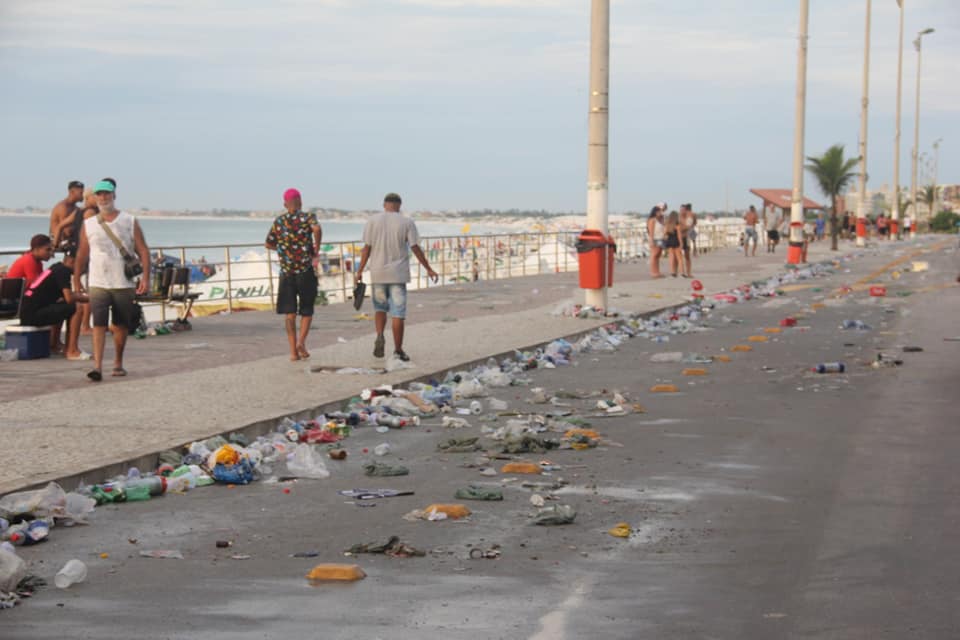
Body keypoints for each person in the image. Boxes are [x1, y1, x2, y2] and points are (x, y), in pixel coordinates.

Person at [74, 179, 150, 381]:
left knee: (120, 324)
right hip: (98, 281)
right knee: (98, 323)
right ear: (95, 197)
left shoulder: (128, 220)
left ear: (114, 196)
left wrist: (146, 278)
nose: (103, 197)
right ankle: (97, 366)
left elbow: (142, 249)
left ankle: (118, 361)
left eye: (107, 194)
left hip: (122, 281)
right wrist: (76, 280)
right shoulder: (89, 224)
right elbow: (82, 253)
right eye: (99, 194)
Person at [355, 192, 438, 362]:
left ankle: (379, 335)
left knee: (380, 309)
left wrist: (360, 270)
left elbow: (367, 248)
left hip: (378, 273)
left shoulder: (372, 221)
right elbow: (415, 247)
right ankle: (398, 350)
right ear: (399, 205)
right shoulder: (406, 222)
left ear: (384, 204)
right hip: (398, 274)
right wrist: (429, 268)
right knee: (398, 313)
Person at [264, 188, 321, 362]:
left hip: (286, 273)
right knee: (307, 310)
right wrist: (316, 247)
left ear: (285, 204)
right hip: (305, 271)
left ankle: (293, 352)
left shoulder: (279, 221)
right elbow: (317, 229)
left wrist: (283, 249)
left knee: (290, 313)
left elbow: (268, 244)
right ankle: (301, 343)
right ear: (300, 201)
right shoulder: (307, 217)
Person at [19, 256, 87, 356]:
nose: (84, 270)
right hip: (33, 315)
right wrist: (91, 298)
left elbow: (65, 297)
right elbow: (69, 298)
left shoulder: (56, 268)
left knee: (61, 306)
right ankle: (72, 350)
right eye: (83, 266)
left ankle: (54, 345)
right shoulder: (64, 271)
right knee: (77, 307)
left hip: (27, 313)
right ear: (72, 261)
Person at [48, 181, 84, 250]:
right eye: (81, 193)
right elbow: (67, 231)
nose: (83, 195)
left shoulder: (75, 208)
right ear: (72, 192)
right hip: (58, 241)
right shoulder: (63, 207)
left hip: (69, 242)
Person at [664, 211, 688, 277]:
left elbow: (665, 234)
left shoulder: (667, 225)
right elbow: (679, 235)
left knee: (671, 258)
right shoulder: (677, 225)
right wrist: (681, 243)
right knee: (679, 258)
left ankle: (673, 272)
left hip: (669, 241)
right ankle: (682, 272)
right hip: (676, 241)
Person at [646, 205, 665, 278]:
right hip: (655, 238)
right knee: (654, 255)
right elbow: (651, 231)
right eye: (659, 211)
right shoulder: (652, 220)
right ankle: (653, 272)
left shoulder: (660, 220)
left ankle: (657, 271)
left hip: (660, 238)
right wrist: (651, 241)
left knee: (658, 255)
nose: (660, 213)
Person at [679, 203, 697, 274]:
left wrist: (685, 227)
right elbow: (693, 224)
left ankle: (688, 272)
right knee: (680, 256)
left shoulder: (689, 216)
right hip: (683, 236)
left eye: (683, 210)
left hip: (687, 236)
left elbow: (689, 226)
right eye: (681, 210)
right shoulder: (681, 217)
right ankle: (682, 271)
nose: (682, 211)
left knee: (687, 255)